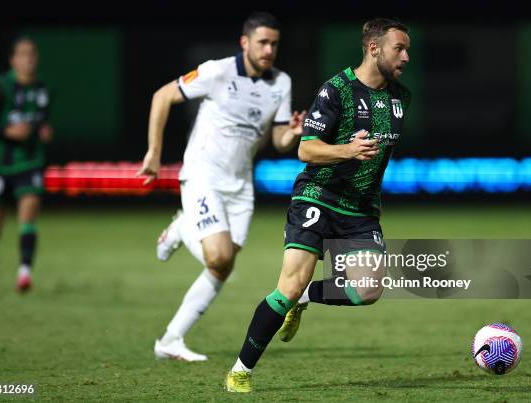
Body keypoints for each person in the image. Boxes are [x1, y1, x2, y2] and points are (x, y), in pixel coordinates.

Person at [225, 18, 411, 392]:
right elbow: (305, 148)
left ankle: (307, 298)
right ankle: (240, 370)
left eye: (407, 50)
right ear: (374, 48)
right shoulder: (337, 90)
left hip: (360, 210)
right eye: (399, 48)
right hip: (318, 197)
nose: (405, 57)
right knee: (289, 285)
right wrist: (348, 150)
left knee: (368, 291)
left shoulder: (400, 98)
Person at [137, 11, 306, 361]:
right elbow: (162, 97)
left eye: (274, 43)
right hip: (203, 175)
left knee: (222, 266)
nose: (268, 49)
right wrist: (154, 151)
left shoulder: (281, 83)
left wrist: (292, 133)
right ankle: (184, 227)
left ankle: (170, 340)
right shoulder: (217, 71)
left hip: (240, 185)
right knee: (220, 256)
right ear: (245, 42)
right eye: (262, 42)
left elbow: (277, 139)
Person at [0, 37, 53, 293]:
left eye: (32, 55)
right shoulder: (0, 86)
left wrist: (43, 130)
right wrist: (6, 131)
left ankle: (24, 272)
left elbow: (41, 121)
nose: (28, 60)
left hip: (30, 161)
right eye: (23, 55)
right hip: (2, 162)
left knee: (29, 212)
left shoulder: (44, 89)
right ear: (13, 60)